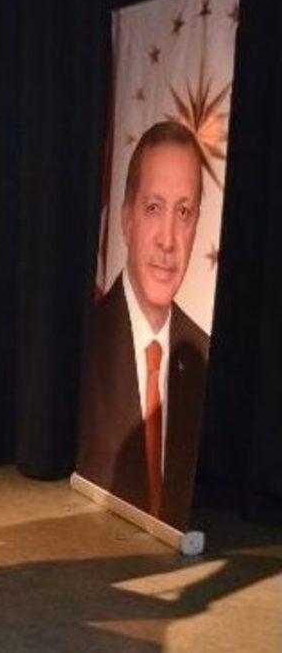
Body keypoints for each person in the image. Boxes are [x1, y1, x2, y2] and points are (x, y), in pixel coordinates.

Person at [78, 120, 210, 529]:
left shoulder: (206, 358)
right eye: (154, 208)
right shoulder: (83, 341)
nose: (168, 240)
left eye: (183, 212)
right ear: (126, 219)